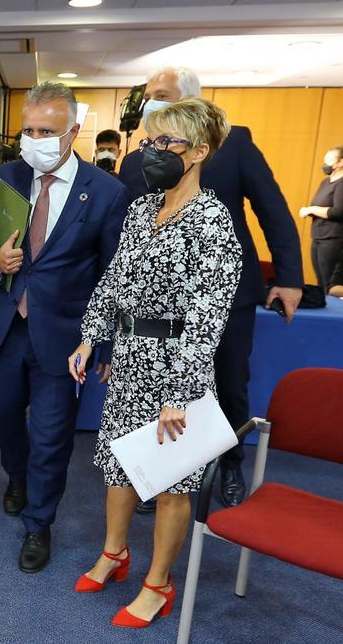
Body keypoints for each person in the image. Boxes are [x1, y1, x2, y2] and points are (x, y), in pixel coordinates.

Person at [71, 97, 241, 629]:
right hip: (129, 359)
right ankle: (114, 553)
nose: (154, 152)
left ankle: (158, 583)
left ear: (200, 151)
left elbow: (208, 316)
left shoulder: (213, 221)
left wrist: (180, 391)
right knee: (120, 468)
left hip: (177, 367)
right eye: (150, 142)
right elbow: (115, 279)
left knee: (172, 484)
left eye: (168, 143)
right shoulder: (144, 208)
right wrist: (89, 337)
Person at [118, 66, 303, 510]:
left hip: (226, 296)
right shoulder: (133, 160)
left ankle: (231, 461)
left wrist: (290, 278)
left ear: (191, 100)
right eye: (149, 96)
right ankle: (156, 470)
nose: (151, 103)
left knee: (227, 381)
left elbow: (272, 209)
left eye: (161, 95)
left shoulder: (233, 144)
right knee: (155, 388)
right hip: (156, 307)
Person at [0, 81, 129, 573]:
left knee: (53, 435)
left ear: (74, 131)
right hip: (6, 328)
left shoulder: (106, 192)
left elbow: (113, 274)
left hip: (66, 338)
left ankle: (39, 523)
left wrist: (101, 345)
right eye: (28, 129)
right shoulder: (6, 177)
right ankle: (16, 475)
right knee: (2, 415)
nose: (33, 138)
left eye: (47, 130)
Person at [301, 145, 343, 289]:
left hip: (335, 238)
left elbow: (339, 212)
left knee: (330, 281)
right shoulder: (326, 182)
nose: (325, 164)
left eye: (329, 160)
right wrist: (310, 210)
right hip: (320, 236)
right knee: (321, 280)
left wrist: (312, 209)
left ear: (340, 163)